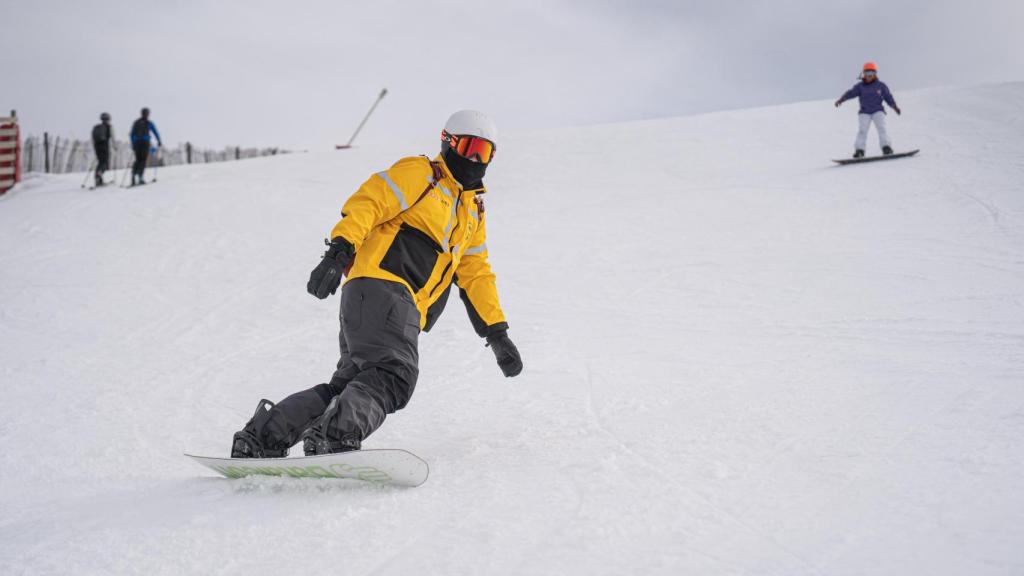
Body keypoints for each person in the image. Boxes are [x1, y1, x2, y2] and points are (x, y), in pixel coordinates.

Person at [231, 110, 524, 458]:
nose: (475, 159)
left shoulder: (472, 211)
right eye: (470, 147)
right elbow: (370, 202)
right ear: (448, 142)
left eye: (485, 153)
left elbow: (475, 273)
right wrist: (339, 250)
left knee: (348, 385)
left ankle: (264, 437)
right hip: (386, 289)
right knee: (395, 374)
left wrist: (496, 332)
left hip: (379, 301)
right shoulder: (424, 175)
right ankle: (336, 434)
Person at [835, 62, 902, 158]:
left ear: (875, 74)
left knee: (882, 128)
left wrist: (894, 107)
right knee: (862, 130)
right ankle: (860, 150)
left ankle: (886, 147)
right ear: (864, 74)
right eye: (867, 73)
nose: (869, 75)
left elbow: (888, 97)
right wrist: (841, 99)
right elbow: (850, 93)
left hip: (878, 110)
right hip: (864, 112)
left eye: (871, 73)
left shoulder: (881, 85)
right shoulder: (860, 86)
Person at [129, 107, 162, 186]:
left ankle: (133, 175)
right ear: (147, 114)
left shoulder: (136, 122)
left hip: (137, 143)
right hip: (145, 142)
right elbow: (155, 131)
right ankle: (140, 177)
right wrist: (159, 140)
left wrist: (133, 144)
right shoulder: (148, 122)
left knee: (137, 159)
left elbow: (132, 134)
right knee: (143, 160)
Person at [91, 112, 113, 187]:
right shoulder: (109, 127)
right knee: (104, 163)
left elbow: (93, 138)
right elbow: (112, 137)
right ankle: (99, 175)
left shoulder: (97, 127)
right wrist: (115, 146)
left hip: (97, 146)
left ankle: (98, 179)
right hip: (104, 147)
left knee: (100, 162)